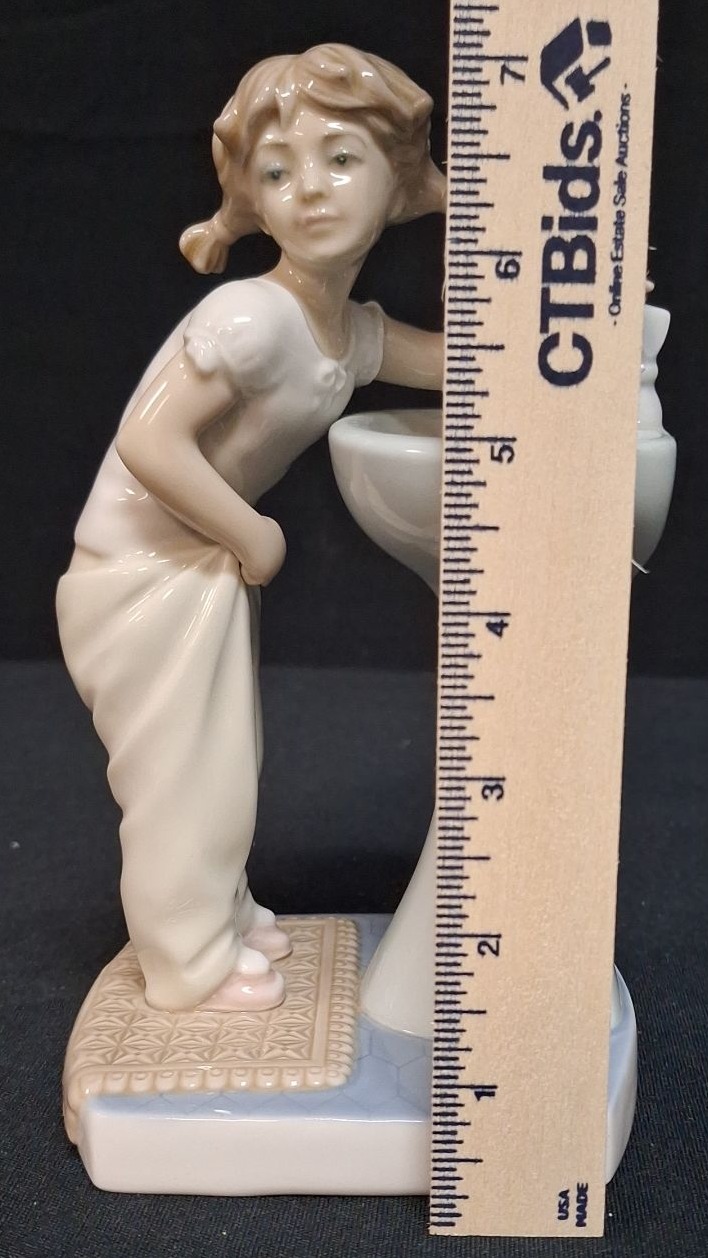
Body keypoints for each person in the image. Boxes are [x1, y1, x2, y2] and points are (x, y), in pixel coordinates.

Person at [56, 44, 445, 1013]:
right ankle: (186, 964)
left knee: (226, 764)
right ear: (252, 202)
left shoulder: (343, 330)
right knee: (186, 778)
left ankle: (219, 918)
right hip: (134, 573)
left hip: (191, 566)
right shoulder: (252, 317)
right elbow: (150, 442)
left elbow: (455, 361)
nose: (308, 189)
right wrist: (253, 533)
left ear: (397, 181)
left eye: (341, 159)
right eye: (277, 172)